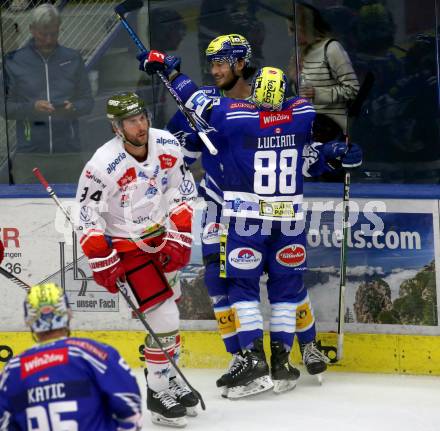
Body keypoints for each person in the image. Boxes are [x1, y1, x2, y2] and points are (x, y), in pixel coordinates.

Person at [139, 51, 362, 397]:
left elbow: (194, 99)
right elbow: (309, 157)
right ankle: (281, 359)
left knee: (242, 287)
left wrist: (171, 72)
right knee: (286, 292)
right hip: (288, 220)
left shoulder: (236, 117)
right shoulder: (301, 114)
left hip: (247, 220)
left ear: (256, 95)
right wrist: (335, 152)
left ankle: (255, 355)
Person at [75, 92, 198, 427]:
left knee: (169, 314)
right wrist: (102, 258)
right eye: (131, 121)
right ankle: (158, 392)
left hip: (160, 239)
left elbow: (182, 192)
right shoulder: (103, 165)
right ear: (118, 127)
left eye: (142, 117)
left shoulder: (167, 145)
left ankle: (167, 376)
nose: (141, 125)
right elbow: (86, 217)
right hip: (127, 247)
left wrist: (180, 234)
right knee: (166, 317)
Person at [0, 283, 143, 430]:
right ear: (67, 313)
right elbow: (129, 407)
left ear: (29, 321)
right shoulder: (93, 353)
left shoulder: (12, 370)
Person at [1, 3, 94, 183]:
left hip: (69, 153)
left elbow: (88, 101)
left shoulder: (73, 58)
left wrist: (73, 107)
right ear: (32, 30)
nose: (49, 40)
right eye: (44, 34)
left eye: (54, 33)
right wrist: (32, 108)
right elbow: (4, 107)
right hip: (30, 155)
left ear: (59, 29)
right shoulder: (14, 61)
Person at [288, 2, 359, 134]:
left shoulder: (340, 54)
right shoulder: (304, 56)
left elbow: (352, 91)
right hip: (315, 131)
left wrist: (316, 93)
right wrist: (296, 81)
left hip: (340, 132)